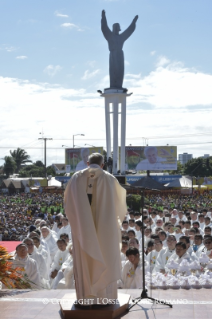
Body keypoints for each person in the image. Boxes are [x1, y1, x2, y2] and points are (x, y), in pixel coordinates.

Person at [65, 152, 126, 304]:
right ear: (103, 165)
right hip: (105, 229)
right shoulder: (110, 179)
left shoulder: (75, 178)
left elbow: (68, 205)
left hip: (82, 230)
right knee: (105, 255)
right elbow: (120, 206)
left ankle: (86, 299)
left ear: (87, 163)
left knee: (84, 259)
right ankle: (105, 299)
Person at [101, 10, 138, 89]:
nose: (119, 29)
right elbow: (104, 27)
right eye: (117, 28)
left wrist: (134, 21)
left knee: (120, 71)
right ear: (115, 28)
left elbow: (129, 30)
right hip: (113, 54)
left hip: (120, 55)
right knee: (114, 70)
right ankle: (113, 86)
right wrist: (103, 16)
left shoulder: (121, 37)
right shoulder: (110, 36)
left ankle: (119, 85)